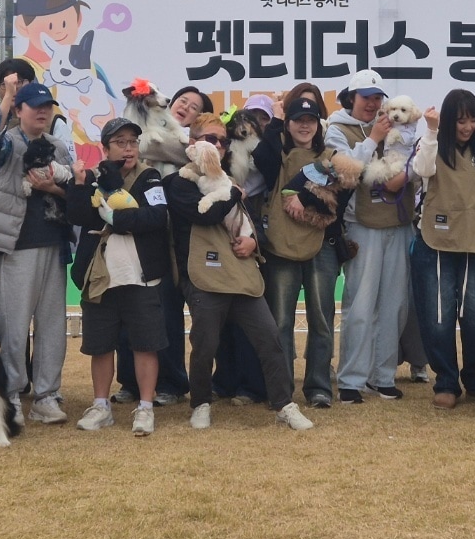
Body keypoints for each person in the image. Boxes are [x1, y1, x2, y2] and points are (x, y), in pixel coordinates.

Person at [165, 114, 313, 431]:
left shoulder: (229, 179)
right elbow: (203, 215)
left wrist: (252, 241)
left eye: (222, 140)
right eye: (211, 139)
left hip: (242, 274)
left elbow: (251, 223)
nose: (218, 145)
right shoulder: (180, 182)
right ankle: (201, 403)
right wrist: (233, 193)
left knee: (270, 339)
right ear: (193, 144)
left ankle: (284, 404)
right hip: (203, 275)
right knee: (205, 344)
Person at [0, 81, 74, 425]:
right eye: (35, 106)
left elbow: (72, 192)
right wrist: (4, 99)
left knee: (52, 324)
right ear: (19, 111)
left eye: (47, 106)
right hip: (16, 244)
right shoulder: (8, 143)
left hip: (54, 242)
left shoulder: (59, 147)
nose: (43, 112)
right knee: (15, 324)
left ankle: (47, 395)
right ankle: (13, 393)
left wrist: (54, 189)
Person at [66, 117, 169, 435]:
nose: (128, 148)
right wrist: (79, 185)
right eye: (120, 142)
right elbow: (79, 216)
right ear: (105, 148)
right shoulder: (93, 178)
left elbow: (156, 217)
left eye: (133, 142)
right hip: (100, 276)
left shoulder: (150, 177)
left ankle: (146, 407)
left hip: (141, 276)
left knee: (145, 344)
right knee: (99, 345)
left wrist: (113, 218)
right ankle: (100, 406)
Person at [410, 90, 475, 410]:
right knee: (437, 317)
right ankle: (446, 381)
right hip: (434, 242)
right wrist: (432, 130)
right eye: (460, 120)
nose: (467, 127)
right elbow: (421, 170)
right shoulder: (433, 144)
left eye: (473, 119)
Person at [251, 95, 343, 409]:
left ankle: (318, 386)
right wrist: (275, 120)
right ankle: (281, 388)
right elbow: (260, 157)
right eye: (297, 120)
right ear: (288, 124)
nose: (304, 126)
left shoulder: (330, 155)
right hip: (280, 245)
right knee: (279, 321)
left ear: (318, 125)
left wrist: (306, 199)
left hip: (322, 245)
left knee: (321, 318)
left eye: (310, 121)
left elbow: (340, 197)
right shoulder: (275, 153)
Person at [328, 70, 412, 402]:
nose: (373, 104)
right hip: (360, 223)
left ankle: (383, 375)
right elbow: (348, 171)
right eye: (366, 97)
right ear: (351, 98)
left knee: (395, 304)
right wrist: (374, 138)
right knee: (360, 303)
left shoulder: (395, 123)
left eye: (377, 97)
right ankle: (351, 379)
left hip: (398, 221)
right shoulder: (336, 129)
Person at [140, 84, 212, 406]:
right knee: (149, 312)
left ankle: (184, 383)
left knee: (187, 315)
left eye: (194, 107)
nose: (185, 107)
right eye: (182, 100)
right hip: (149, 237)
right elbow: (140, 146)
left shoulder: (200, 147)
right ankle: (149, 382)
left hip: (189, 241)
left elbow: (177, 150)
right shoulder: (146, 131)